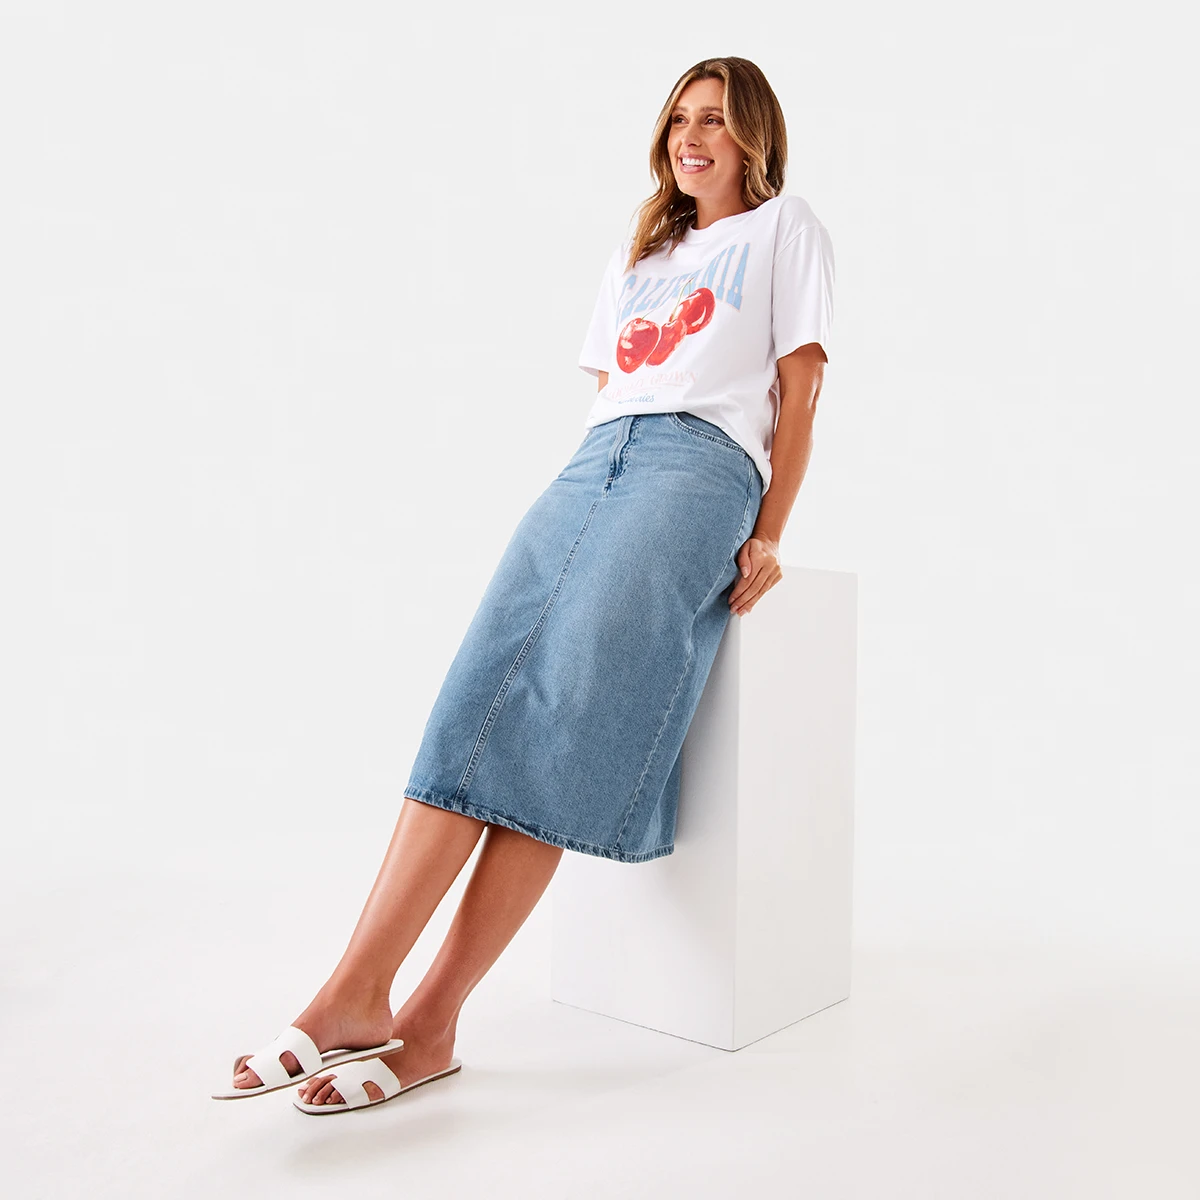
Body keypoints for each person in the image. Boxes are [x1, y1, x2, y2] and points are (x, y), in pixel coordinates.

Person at [211, 55, 834, 1114]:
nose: (695, 139)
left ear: (754, 138)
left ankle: (431, 1021)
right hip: (594, 465)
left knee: (565, 716)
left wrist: (771, 530)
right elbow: (610, 386)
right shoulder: (644, 249)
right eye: (681, 119)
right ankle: (353, 991)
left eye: (718, 123)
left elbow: (800, 381)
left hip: (701, 465)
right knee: (476, 701)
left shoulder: (786, 229)